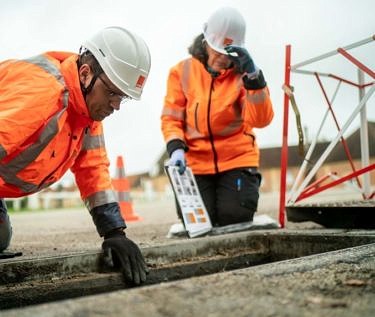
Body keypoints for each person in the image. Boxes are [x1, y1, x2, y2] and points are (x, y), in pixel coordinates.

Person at [0, 26, 151, 285]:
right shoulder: (43, 93)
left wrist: (114, 232)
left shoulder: (87, 114)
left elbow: (93, 170)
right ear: (85, 74)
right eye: (113, 93)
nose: (116, 106)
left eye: (122, 98)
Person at [161, 7, 274, 227]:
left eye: (229, 52)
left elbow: (260, 120)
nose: (223, 57)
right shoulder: (181, 71)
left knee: (233, 220)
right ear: (205, 41)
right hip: (195, 163)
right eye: (218, 50)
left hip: (237, 160)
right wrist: (175, 148)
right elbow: (171, 117)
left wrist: (254, 79)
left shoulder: (244, 76)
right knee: (199, 224)